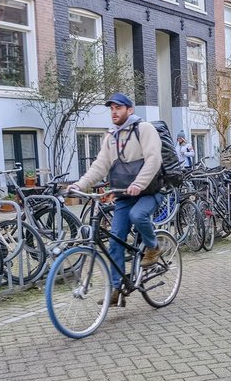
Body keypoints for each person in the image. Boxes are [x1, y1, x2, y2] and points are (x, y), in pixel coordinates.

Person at [69, 93, 163, 290]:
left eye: (118, 108)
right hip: (124, 195)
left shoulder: (144, 129)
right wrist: (80, 185)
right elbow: (100, 165)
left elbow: (154, 159)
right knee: (115, 240)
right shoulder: (111, 136)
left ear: (130, 110)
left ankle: (153, 247)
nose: (114, 112)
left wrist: (139, 183)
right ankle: (116, 287)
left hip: (149, 191)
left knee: (137, 215)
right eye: (111, 108)